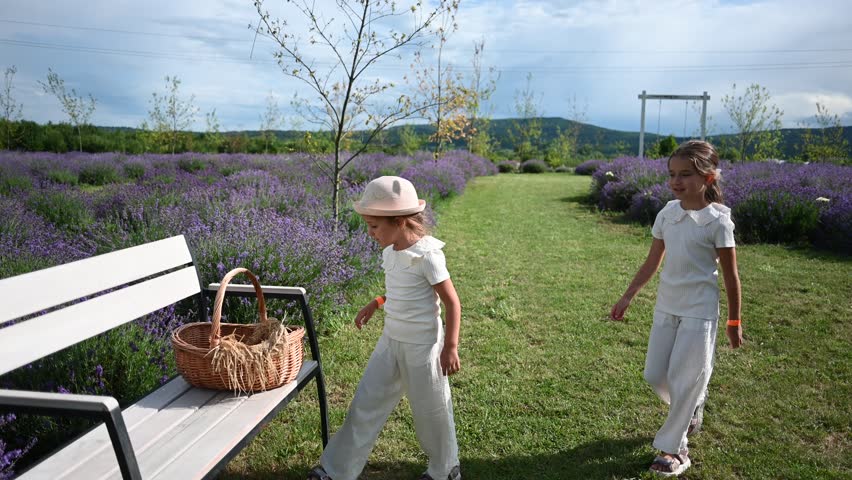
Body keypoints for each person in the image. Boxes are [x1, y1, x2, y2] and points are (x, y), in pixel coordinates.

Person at [308, 176, 462, 480]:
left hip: (423, 347)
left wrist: (451, 347)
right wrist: (377, 302)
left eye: (374, 226)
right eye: (368, 224)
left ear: (401, 221)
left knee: (431, 412)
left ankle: (445, 471)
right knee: (366, 403)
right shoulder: (390, 253)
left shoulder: (429, 256)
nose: (370, 233)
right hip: (390, 341)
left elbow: (452, 302)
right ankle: (335, 470)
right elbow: (403, 291)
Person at [610, 140, 744, 477]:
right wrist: (628, 296)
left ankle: (674, 449)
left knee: (686, 380)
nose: (677, 181)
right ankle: (692, 404)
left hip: (699, 312)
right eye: (672, 174)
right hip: (666, 307)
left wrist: (733, 320)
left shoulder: (718, 222)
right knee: (655, 373)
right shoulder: (667, 214)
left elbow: (731, 276)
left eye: (686, 174)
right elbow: (651, 263)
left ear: (709, 177)